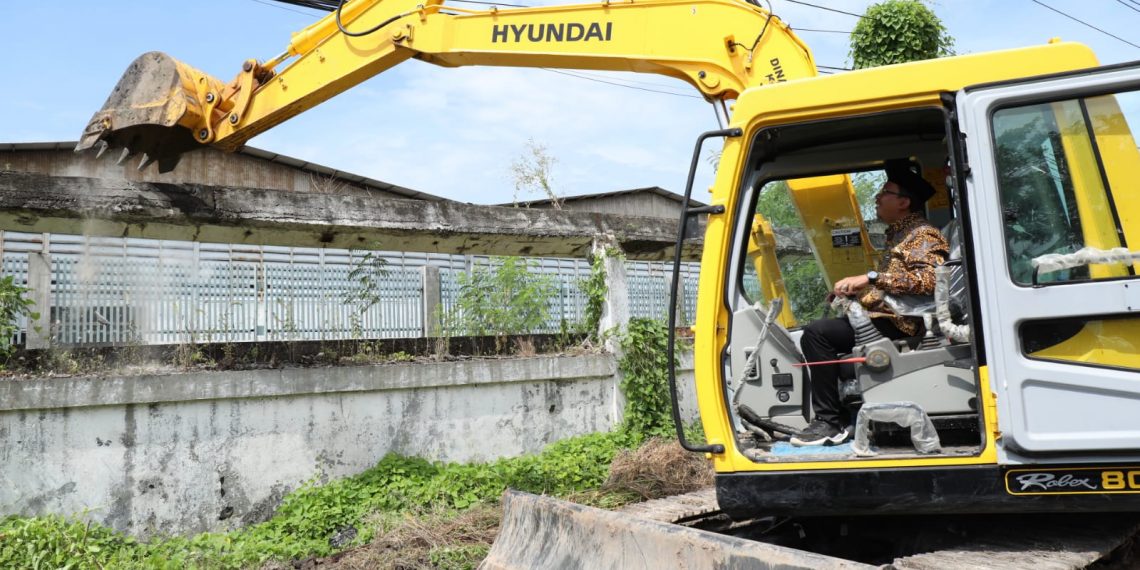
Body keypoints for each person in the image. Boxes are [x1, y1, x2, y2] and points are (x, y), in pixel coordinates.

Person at [790, 160, 950, 447]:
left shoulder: (922, 234)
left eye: (885, 192)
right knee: (819, 331)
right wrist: (857, 293)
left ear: (903, 202)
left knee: (817, 334)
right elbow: (895, 283)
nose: (877, 197)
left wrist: (870, 277)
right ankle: (835, 417)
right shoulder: (901, 233)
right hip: (885, 317)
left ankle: (829, 422)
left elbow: (930, 281)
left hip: (899, 323)